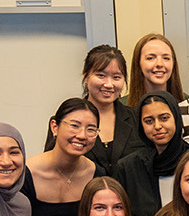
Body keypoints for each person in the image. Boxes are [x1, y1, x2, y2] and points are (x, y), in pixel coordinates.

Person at [113, 91, 188, 216]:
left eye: (164, 118)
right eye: (148, 121)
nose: (157, 126)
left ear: (177, 118)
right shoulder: (128, 168)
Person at [48, 44, 137, 173]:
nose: (108, 84)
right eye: (101, 75)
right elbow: (52, 167)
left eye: (116, 77)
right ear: (85, 76)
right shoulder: (64, 120)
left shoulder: (137, 119)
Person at [126, 33, 183, 109]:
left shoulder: (188, 105)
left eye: (166, 58)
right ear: (138, 63)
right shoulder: (122, 108)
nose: (159, 64)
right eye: (150, 58)